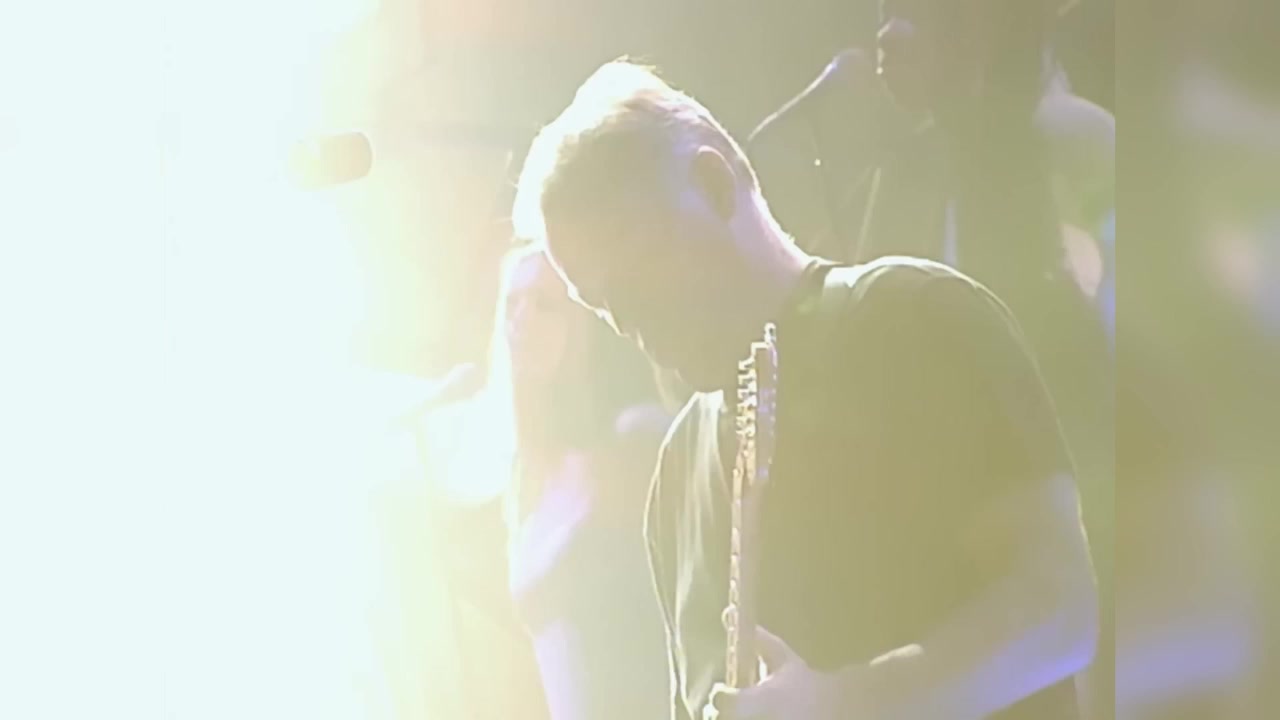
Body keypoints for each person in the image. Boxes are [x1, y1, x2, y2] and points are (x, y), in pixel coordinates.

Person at [512, 59, 1098, 720]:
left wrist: (848, 703)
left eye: (635, 266)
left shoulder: (918, 316)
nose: (625, 319)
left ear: (713, 184)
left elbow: (1060, 610)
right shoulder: (675, 475)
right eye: (599, 302)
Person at [487, 244, 673, 720]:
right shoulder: (524, 480)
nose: (522, 319)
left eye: (545, 305)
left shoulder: (637, 438)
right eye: (512, 303)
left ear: (586, 324)